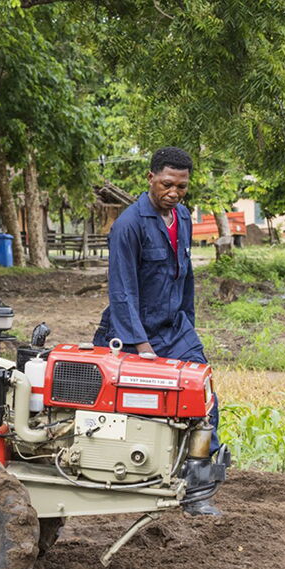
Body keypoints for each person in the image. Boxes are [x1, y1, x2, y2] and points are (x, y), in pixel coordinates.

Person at [93, 146, 226, 516]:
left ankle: (198, 491)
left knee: (203, 400)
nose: (174, 192)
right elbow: (122, 291)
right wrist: (143, 347)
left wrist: (189, 326)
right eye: (167, 184)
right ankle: (122, 481)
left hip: (176, 328)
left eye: (182, 187)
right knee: (130, 410)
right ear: (150, 178)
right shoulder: (128, 226)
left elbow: (185, 277)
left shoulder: (182, 217)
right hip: (133, 332)